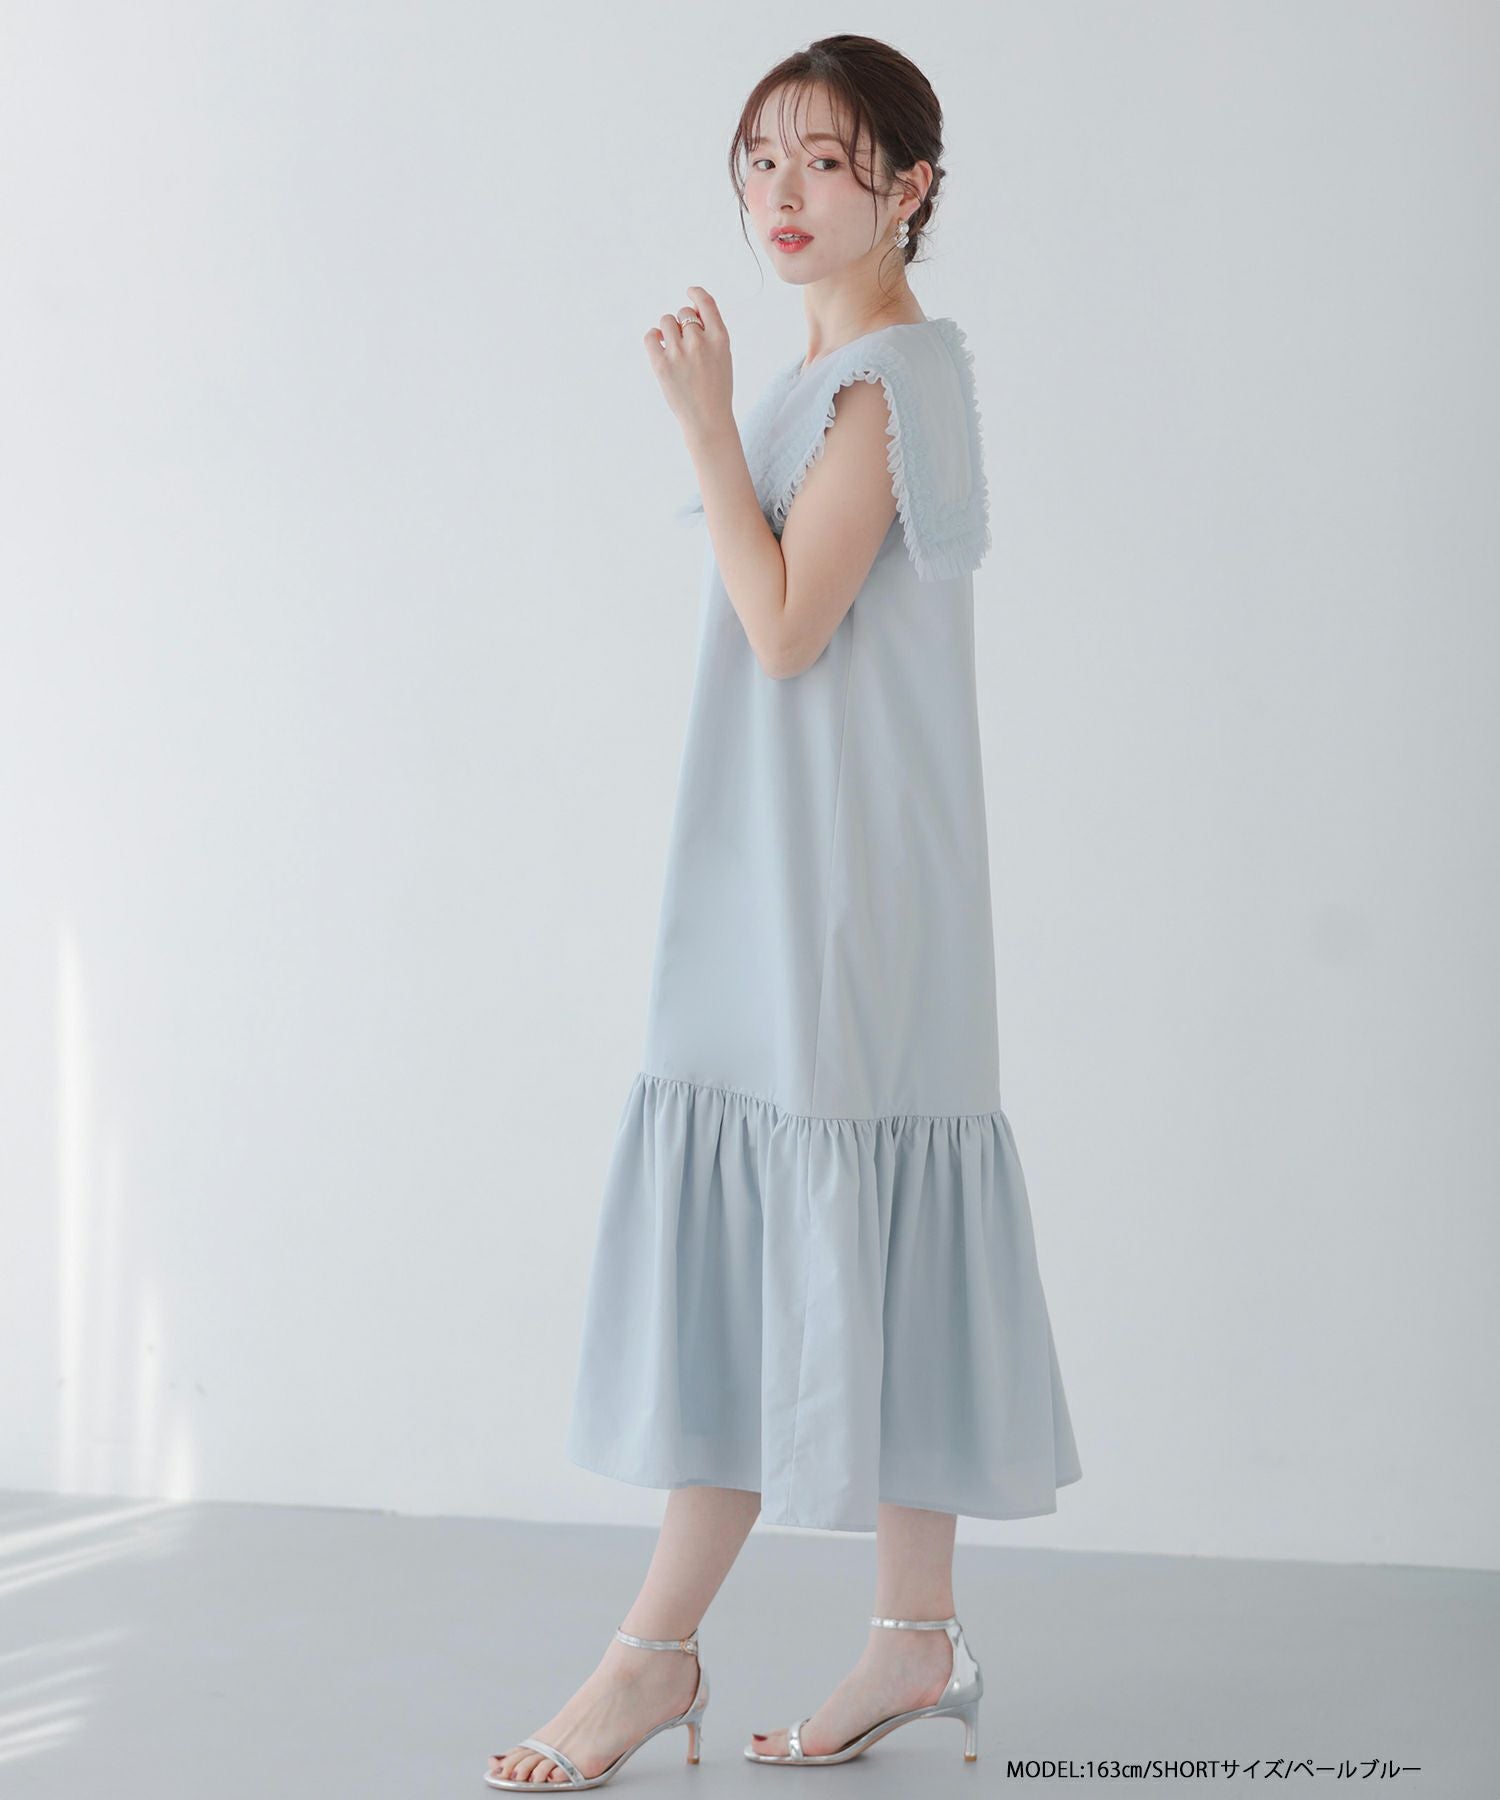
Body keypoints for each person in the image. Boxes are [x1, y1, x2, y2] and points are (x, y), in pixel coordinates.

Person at [488, 32, 1081, 1791]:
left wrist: (695, 422)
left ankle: (649, 1657)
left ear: (911, 184)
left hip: (834, 893)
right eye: (760, 161)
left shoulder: (885, 382)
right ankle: (913, 1633)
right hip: (794, 862)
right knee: (847, 1233)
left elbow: (787, 627)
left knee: (788, 1242)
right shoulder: (850, 371)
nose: (782, 195)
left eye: (825, 161)